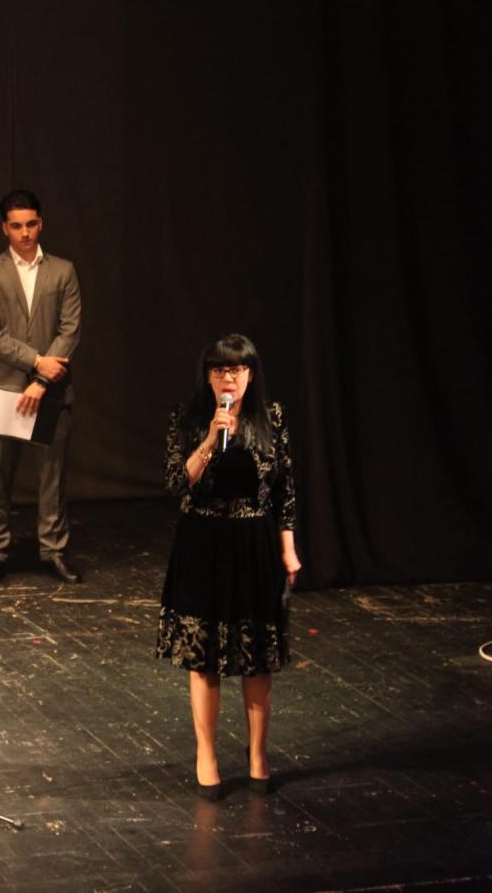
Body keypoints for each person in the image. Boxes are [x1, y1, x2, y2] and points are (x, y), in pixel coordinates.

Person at [156, 333, 302, 799]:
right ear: (208, 376)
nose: (228, 378)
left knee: (256, 657)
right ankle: (207, 755)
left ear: (250, 375)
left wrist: (288, 548)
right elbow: (177, 482)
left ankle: (258, 754)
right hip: (202, 542)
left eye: (236, 369)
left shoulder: (270, 418)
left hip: (254, 543)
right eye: (219, 370)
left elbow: (285, 490)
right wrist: (208, 440)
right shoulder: (188, 418)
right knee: (204, 658)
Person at [0, 189, 82, 587]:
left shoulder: (63, 270)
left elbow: (70, 330)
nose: (25, 233)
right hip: (4, 388)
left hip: (51, 389)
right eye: (16, 226)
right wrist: (37, 363)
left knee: (53, 475)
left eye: (31, 224)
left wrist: (41, 380)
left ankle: (53, 550)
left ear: (41, 224)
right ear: (5, 228)